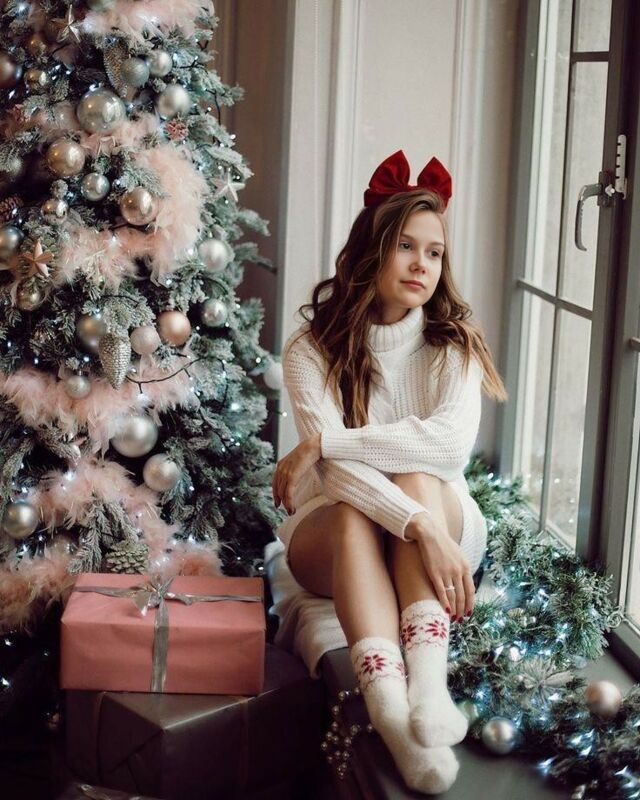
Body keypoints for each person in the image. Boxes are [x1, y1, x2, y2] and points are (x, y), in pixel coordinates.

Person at [271, 149, 508, 794]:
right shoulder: (310, 349)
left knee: (419, 477)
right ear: (370, 251)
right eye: (406, 246)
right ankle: (392, 717)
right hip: (340, 531)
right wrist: (419, 527)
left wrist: (326, 442)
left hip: (440, 513)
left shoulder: (452, 347)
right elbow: (338, 480)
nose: (422, 265)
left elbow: (446, 449)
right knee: (355, 508)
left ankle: (428, 691)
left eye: (434, 253)